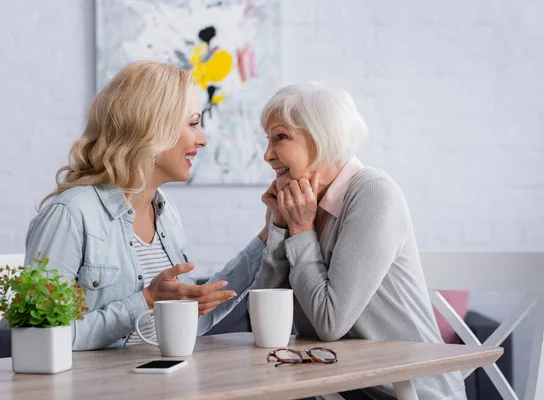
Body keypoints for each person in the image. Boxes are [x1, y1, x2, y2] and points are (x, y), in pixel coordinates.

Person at [25, 61, 267, 351]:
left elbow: (185, 322)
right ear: (151, 127)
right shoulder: (70, 216)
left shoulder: (166, 212)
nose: (202, 139)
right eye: (192, 124)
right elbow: (38, 340)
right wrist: (146, 300)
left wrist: (269, 233)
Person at [253, 82, 466, 400]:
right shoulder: (303, 207)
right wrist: (281, 227)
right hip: (342, 391)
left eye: (280, 137)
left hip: (410, 392)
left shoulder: (373, 193)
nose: (268, 155)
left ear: (321, 138)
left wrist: (300, 229)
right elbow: (266, 321)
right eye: (268, 140)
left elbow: (329, 322)